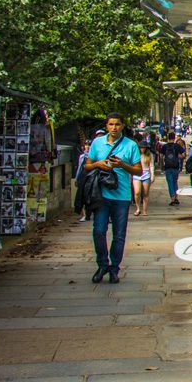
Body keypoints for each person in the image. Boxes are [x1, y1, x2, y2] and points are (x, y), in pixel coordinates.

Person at [84, 113, 142, 284]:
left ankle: (114, 268)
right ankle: (102, 264)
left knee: (119, 235)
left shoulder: (130, 145)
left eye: (117, 124)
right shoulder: (97, 143)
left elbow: (138, 171)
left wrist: (122, 165)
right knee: (99, 231)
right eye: (111, 124)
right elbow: (87, 165)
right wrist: (98, 164)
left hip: (122, 196)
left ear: (122, 125)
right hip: (101, 195)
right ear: (106, 126)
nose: (114, 128)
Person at [159, 132, 185, 206]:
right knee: (175, 182)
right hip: (175, 167)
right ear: (174, 138)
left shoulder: (164, 146)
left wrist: (165, 158)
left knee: (170, 183)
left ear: (168, 138)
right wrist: (178, 157)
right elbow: (183, 155)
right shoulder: (177, 146)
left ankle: (172, 199)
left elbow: (161, 156)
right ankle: (176, 197)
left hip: (167, 167)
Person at [133, 140, 154, 217]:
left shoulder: (149, 155)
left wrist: (152, 175)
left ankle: (145, 210)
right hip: (137, 174)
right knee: (137, 192)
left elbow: (151, 166)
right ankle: (138, 208)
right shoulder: (136, 155)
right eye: (141, 147)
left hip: (146, 174)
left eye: (144, 147)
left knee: (145, 193)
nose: (142, 149)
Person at [73, 139, 92, 221]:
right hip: (82, 178)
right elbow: (79, 168)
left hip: (92, 178)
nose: (87, 147)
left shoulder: (95, 156)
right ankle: (83, 215)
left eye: (89, 145)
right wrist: (76, 179)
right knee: (81, 196)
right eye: (86, 145)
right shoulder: (82, 157)